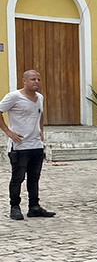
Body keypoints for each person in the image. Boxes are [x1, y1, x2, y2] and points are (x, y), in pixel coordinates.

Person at [0, 69, 55, 220]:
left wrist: (41, 130)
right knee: (18, 177)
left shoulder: (40, 98)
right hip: (20, 146)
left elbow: (40, 113)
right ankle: (15, 207)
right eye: (32, 79)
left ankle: (34, 206)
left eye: (38, 79)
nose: (36, 82)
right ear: (24, 81)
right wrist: (8, 132)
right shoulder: (13, 97)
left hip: (36, 145)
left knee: (34, 177)